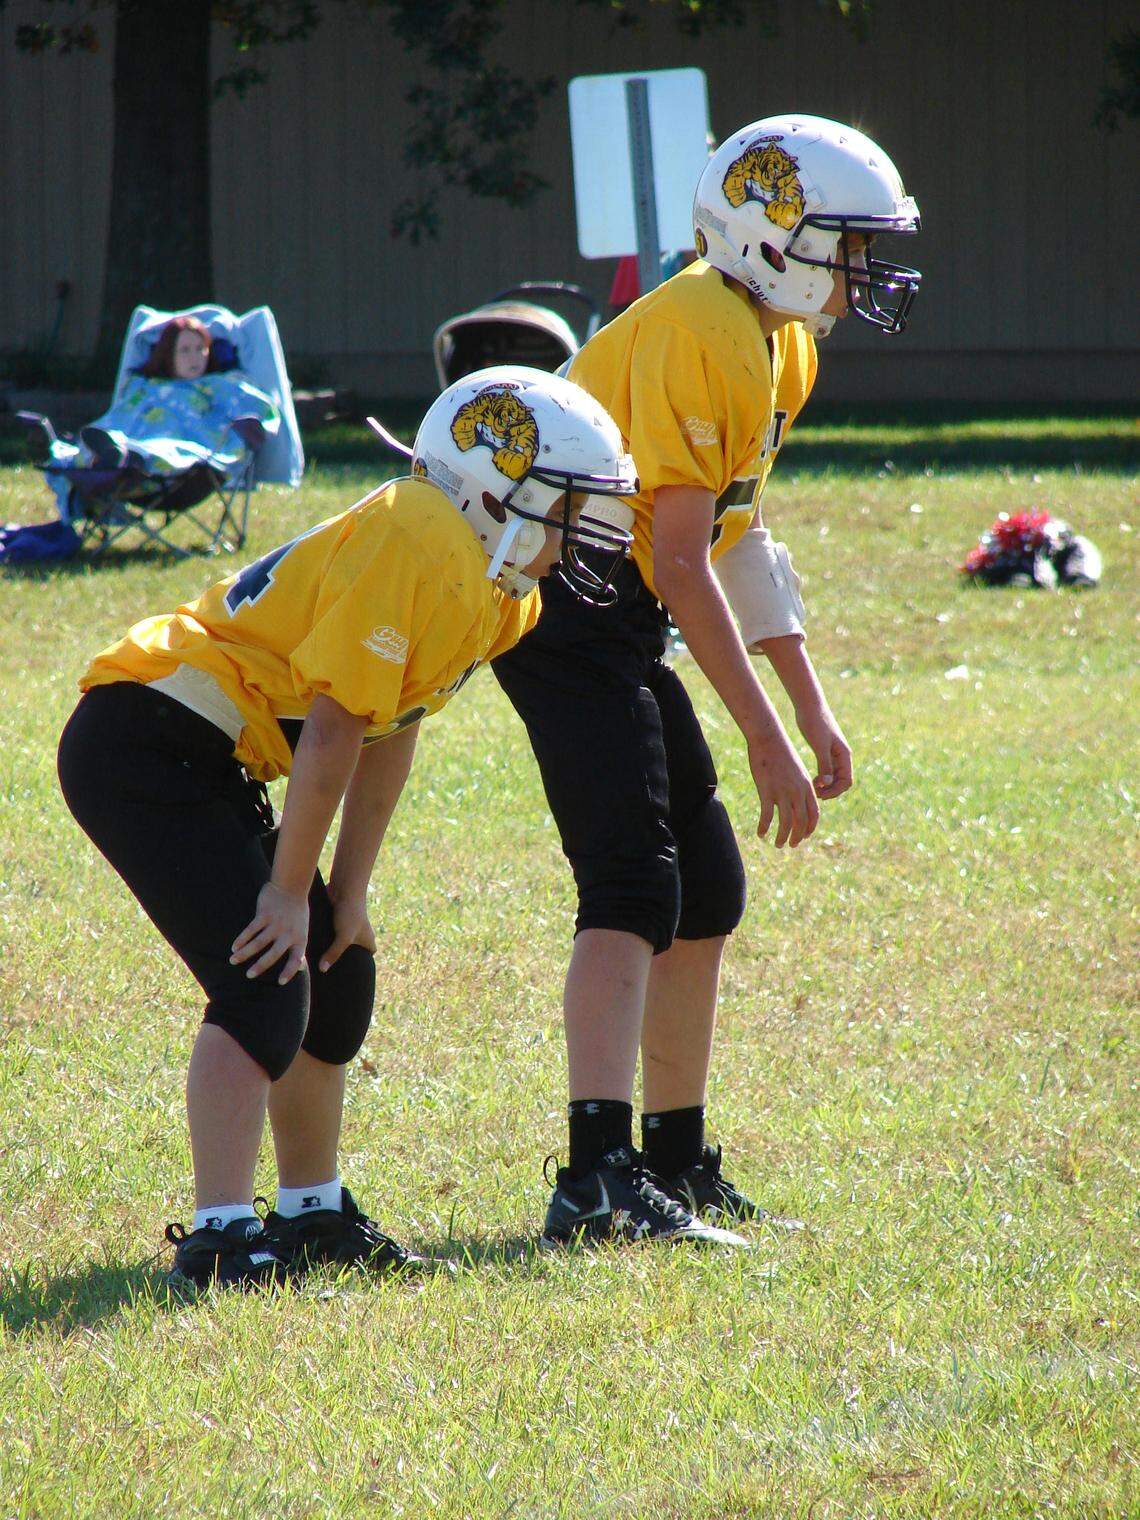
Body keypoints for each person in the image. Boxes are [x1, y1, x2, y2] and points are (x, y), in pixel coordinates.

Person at [57, 365, 637, 1289]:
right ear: (498, 490)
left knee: (334, 967)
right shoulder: (421, 537)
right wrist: (287, 892)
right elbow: (329, 730)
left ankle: (310, 1214)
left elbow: (386, 730)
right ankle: (217, 1237)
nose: (590, 529)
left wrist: (346, 893)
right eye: (572, 503)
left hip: (203, 750)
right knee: (265, 977)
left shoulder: (497, 587)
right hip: (147, 736)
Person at [492, 114, 922, 1247]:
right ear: (774, 236)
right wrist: (765, 735)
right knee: (634, 882)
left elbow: (735, 531)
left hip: (618, 606)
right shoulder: (702, 325)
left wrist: (808, 694)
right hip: (565, 606)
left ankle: (673, 1163)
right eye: (852, 243)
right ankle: (594, 1179)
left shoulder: (780, 339)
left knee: (708, 884)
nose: (867, 269)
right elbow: (677, 558)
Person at [48, 316, 280, 511]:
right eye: (185, 350)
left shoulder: (222, 385)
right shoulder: (145, 386)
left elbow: (263, 410)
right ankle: (100, 455)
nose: (194, 357)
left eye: (201, 349)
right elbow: (122, 415)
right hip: (131, 440)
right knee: (95, 444)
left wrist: (249, 429)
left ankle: (128, 459)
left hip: (190, 456)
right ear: (168, 354)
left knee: (165, 451)